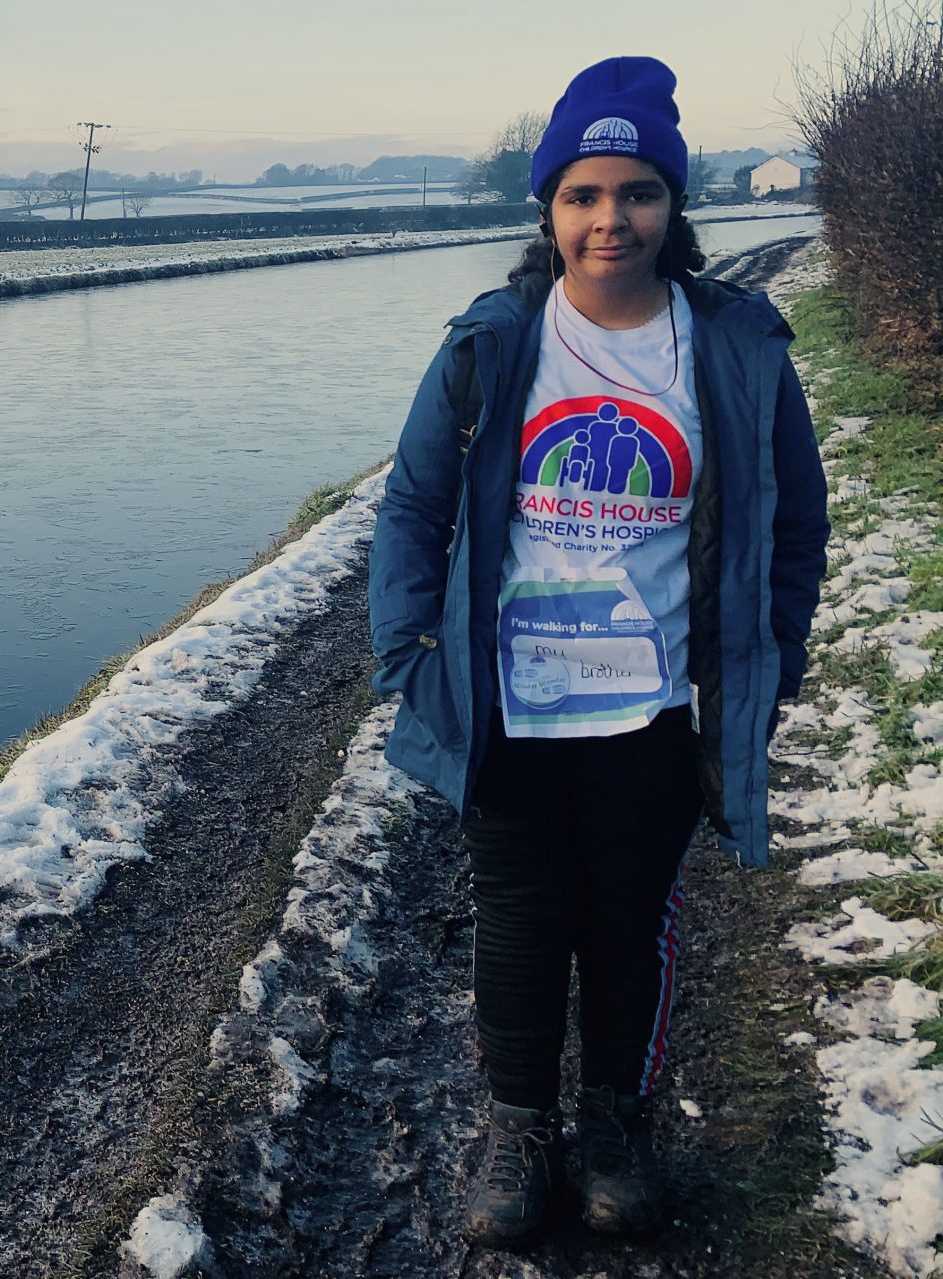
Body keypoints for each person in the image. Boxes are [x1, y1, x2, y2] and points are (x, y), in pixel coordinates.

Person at [366, 56, 828, 1248]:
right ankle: (518, 1126)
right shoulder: (494, 344)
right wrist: (409, 657)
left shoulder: (735, 349)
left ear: (674, 209)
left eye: (636, 193)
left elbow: (793, 527)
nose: (609, 219)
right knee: (521, 916)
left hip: (658, 709)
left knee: (630, 919)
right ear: (548, 210)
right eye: (583, 193)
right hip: (512, 707)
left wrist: (769, 662)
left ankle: (615, 1124)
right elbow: (414, 506)